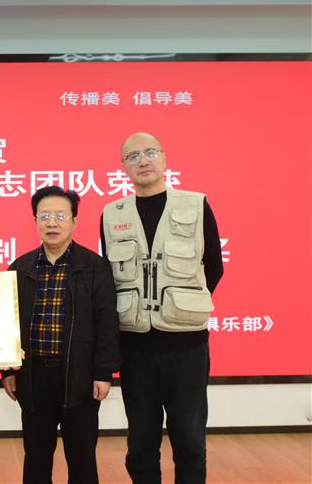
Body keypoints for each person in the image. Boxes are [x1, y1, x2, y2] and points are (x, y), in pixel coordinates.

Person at [100, 132, 224, 484]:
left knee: (189, 441)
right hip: (135, 349)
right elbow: (109, 276)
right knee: (141, 444)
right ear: (123, 167)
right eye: (133, 156)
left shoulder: (196, 204)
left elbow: (214, 267)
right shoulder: (112, 214)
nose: (142, 160)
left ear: (164, 158)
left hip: (187, 348)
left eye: (150, 152)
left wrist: (180, 306)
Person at [0, 186, 120, 484]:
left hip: (80, 378)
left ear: (75, 221)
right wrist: (7, 370)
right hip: (33, 377)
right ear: (35, 221)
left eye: (60, 216)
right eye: (44, 216)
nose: (51, 223)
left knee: (82, 459)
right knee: (36, 458)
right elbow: (7, 323)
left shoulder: (95, 267)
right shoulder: (19, 268)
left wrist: (103, 372)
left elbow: (107, 323)